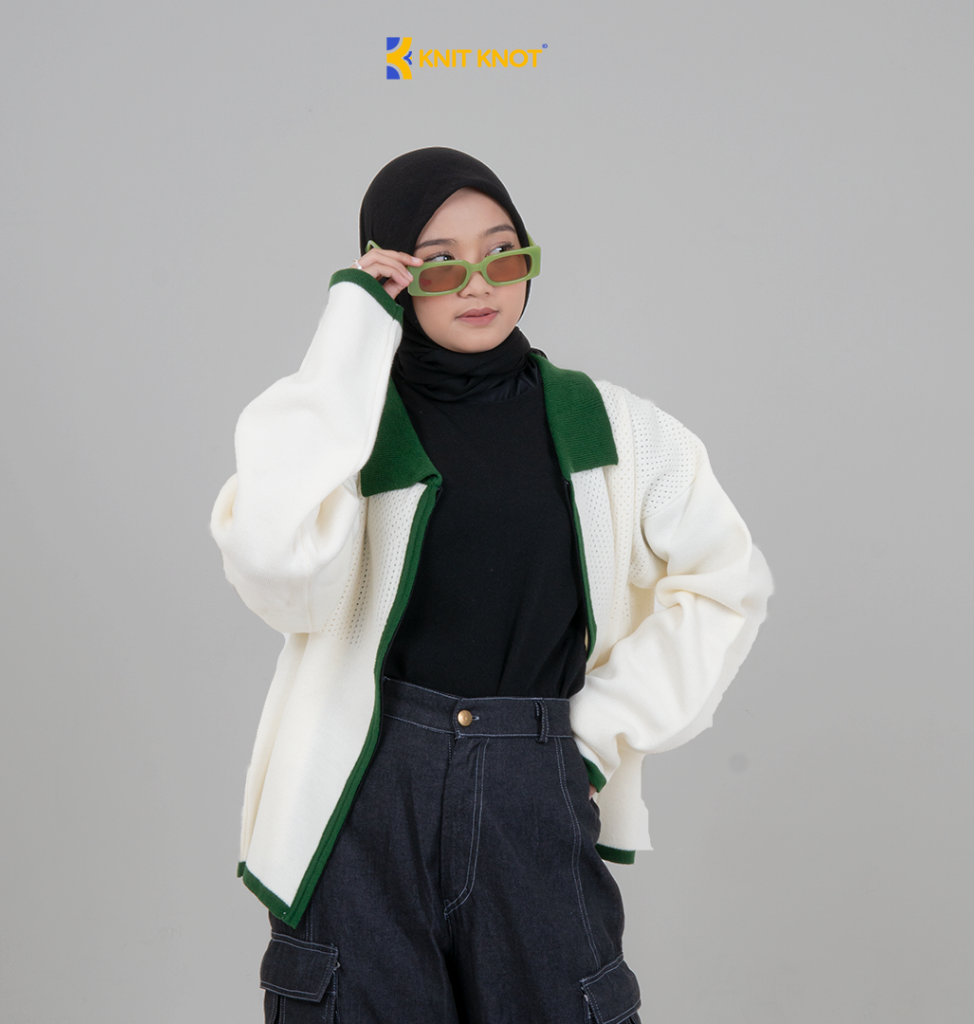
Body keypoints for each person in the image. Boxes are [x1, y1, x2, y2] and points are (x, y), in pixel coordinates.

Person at [210, 147, 772, 1024]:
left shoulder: (612, 426)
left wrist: (595, 738)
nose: (479, 285)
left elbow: (725, 582)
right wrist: (350, 333)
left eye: (504, 255)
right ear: (393, 274)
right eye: (439, 264)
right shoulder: (345, 435)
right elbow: (278, 569)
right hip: (365, 789)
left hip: (532, 779)